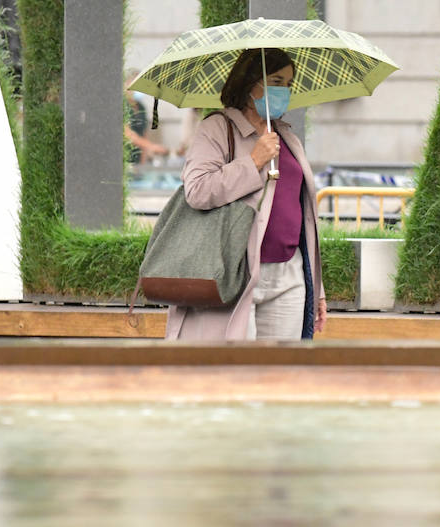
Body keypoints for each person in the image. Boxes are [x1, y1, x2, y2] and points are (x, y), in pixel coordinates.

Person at [166, 47, 327, 341]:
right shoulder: (217, 128)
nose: (285, 92)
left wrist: (317, 289)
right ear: (250, 82)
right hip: (234, 272)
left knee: (279, 377)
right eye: (277, 82)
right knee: (235, 371)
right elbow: (198, 190)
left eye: (289, 84)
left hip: (289, 273)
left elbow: (304, 215)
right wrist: (253, 162)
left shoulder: (284, 135)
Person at [125, 69, 169, 164]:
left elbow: (145, 133)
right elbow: (128, 134)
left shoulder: (141, 107)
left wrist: (143, 161)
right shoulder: (123, 106)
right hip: (125, 157)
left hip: (138, 158)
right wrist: (150, 146)